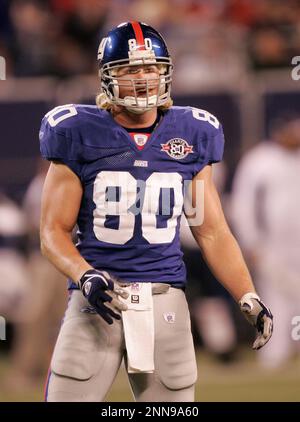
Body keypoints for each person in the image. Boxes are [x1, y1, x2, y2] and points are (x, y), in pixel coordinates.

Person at [39, 21, 273, 402]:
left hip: (165, 298)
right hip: (97, 298)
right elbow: (52, 232)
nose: (143, 79)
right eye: (130, 70)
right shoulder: (76, 132)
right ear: (107, 78)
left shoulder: (193, 133)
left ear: (166, 72)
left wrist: (247, 294)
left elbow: (211, 230)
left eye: (150, 68)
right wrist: (86, 275)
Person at [231, 117, 300, 368]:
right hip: (273, 246)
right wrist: (251, 243)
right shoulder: (260, 159)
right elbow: (243, 205)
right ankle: (273, 356)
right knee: (274, 299)